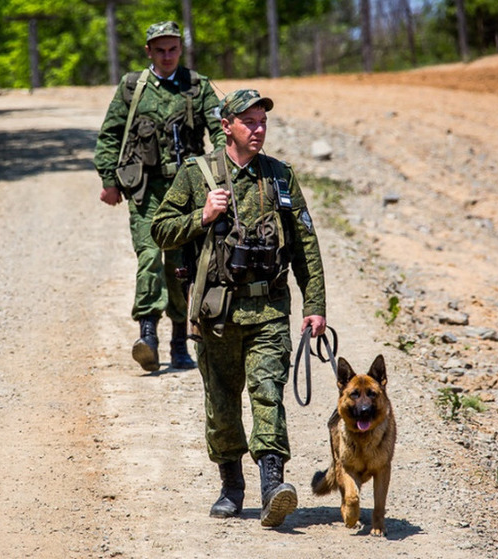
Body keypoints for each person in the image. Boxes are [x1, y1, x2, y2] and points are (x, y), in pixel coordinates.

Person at [151, 89, 327, 527]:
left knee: (268, 394)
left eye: (263, 121)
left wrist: (315, 304)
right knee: (222, 406)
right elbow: (160, 229)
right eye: (249, 121)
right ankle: (232, 486)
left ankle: (273, 487)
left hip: (268, 310)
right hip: (217, 316)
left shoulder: (280, 176)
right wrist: (202, 217)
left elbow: (306, 244)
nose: (259, 129)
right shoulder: (198, 175)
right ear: (226, 126)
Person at [93, 21, 225, 372]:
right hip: (146, 191)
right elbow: (109, 134)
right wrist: (109, 179)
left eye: (173, 49)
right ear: (148, 51)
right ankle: (147, 336)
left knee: (181, 266)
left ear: (180, 49)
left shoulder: (197, 87)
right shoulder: (133, 87)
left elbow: (221, 130)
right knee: (150, 256)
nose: (167, 56)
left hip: (188, 190)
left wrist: (227, 172)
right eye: (160, 49)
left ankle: (180, 343)